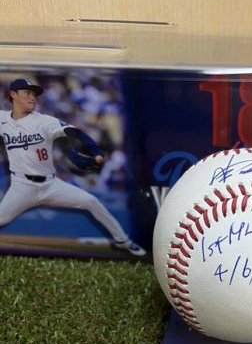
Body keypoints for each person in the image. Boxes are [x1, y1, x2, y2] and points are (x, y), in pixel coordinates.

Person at [0, 78, 145, 256]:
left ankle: (123, 241)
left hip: (50, 185)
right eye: (27, 93)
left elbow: (75, 132)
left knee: (91, 202)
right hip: (22, 186)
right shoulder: (3, 119)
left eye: (34, 94)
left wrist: (96, 151)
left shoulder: (44, 121)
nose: (33, 97)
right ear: (13, 95)